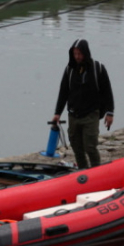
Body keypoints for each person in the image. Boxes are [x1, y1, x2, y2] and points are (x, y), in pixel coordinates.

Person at [52, 39, 114, 169]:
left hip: (91, 115)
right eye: (75, 54)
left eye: (79, 53)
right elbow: (63, 91)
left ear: (86, 53)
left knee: (90, 146)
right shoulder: (69, 70)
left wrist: (110, 113)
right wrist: (57, 113)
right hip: (73, 115)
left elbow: (107, 91)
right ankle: (83, 171)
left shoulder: (98, 69)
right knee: (76, 146)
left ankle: (97, 171)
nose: (77, 57)